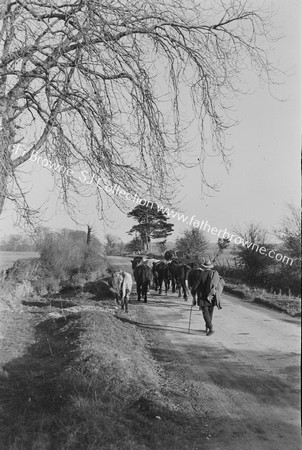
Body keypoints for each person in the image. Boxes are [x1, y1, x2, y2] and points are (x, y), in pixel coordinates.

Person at [190, 260, 223, 336]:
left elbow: (195, 286)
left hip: (203, 297)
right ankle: (207, 326)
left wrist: (193, 293)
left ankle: (210, 327)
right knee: (210, 312)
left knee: (205, 313)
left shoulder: (201, 274)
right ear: (210, 267)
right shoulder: (215, 274)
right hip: (212, 296)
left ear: (204, 267)